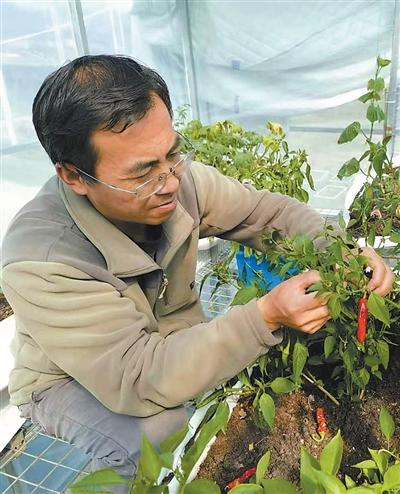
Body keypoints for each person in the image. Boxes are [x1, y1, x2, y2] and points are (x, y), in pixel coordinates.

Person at [1, 55, 394, 484]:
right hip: (69, 378)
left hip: (161, 343)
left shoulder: (176, 181)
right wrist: (264, 317)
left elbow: (266, 213)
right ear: (73, 176)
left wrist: (341, 252)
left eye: (172, 154)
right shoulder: (44, 259)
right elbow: (139, 377)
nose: (170, 182)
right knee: (158, 438)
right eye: (142, 173)